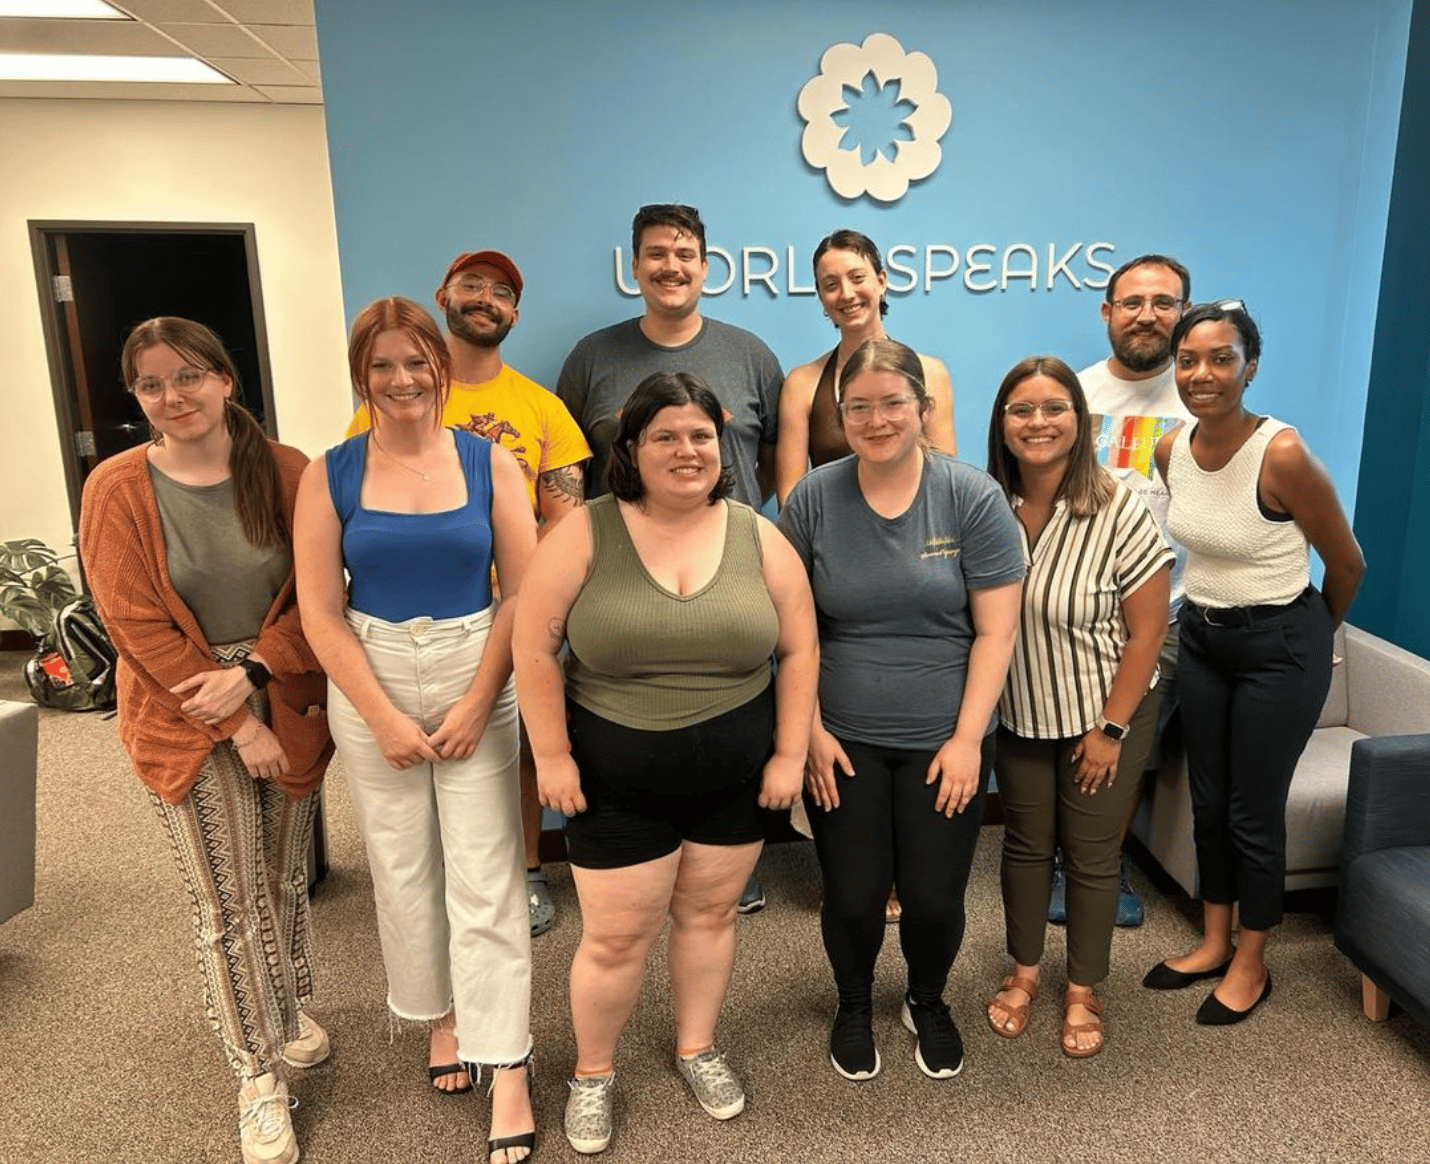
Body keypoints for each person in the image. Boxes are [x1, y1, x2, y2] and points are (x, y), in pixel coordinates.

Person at [513, 372, 816, 1154]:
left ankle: (696, 1046)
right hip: (614, 782)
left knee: (710, 917)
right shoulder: (584, 532)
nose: (686, 451)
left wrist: (789, 754)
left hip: (735, 782)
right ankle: (592, 1072)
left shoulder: (758, 533)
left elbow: (800, 647)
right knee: (615, 940)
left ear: (722, 443)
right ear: (633, 446)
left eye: (700, 436)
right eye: (665, 436)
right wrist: (550, 755)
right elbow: (534, 648)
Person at [79, 317, 333, 1164]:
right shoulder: (117, 488)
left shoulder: (288, 471)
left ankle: (288, 1012)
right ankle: (256, 1074)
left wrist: (257, 675)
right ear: (137, 398)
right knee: (229, 903)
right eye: (151, 384)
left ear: (226, 379)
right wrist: (232, 720)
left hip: (284, 691)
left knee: (284, 876)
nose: (171, 397)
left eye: (188, 376)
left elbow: (321, 592)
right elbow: (134, 623)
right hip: (182, 707)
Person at [294, 297, 539, 1163]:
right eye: (382, 366)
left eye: (415, 362)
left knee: (487, 870)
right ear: (362, 374)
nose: (401, 380)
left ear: (440, 364)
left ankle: (505, 1055)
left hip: (478, 661)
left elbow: (525, 592)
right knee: (401, 865)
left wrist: (478, 701)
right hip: (373, 673)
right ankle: (440, 1013)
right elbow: (321, 612)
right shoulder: (331, 473)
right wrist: (383, 714)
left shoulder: (490, 464)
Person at [778, 339, 1024, 1083]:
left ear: (922, 409)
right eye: (859, 406)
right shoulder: (813, 498)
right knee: (852, 896)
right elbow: (791, 630)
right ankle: (853, 1002)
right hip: (840, 739)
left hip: (942, 740)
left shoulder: (969, 496)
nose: (877, 419)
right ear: (841, 415)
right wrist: (810, 732)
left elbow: (997, 629)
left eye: (893, 403)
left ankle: (927, 998)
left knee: (933, 897)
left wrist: (967, 740)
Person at [346, 248, 591, 941]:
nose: (486, 299)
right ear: (444, 297)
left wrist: (518, 585)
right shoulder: (393, 400)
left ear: (515, 314)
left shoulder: (542, 408)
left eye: (502, 292)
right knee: (423, 741)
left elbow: (566, 517)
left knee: (516, 739)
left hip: (516, 608)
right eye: (472, 286)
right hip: (416, 614)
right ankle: (439, 882)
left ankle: (528, 869)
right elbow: (356, 509)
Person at [557, 202, 784, 914]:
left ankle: (724, 862)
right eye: (656, 253)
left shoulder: (750, 354)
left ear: (706, 265)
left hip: (723, 569)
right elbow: (567, 463)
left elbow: (771, 460)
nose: (671, 266)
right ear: (635, 268)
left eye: (684, 253)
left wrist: (717, 516)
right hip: (623, 575)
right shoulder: (594, 356)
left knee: (734, 697)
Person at [1145, 300, 1364, 1025]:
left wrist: (1310, 641)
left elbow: (1347, 562)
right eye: (1188, 359)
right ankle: (1212, 940)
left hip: (1281, 643)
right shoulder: (1171, 449)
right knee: (1207, 798)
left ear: (1250, 367)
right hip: (1204, 637)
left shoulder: (1281, 454)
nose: (1201, 373)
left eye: (1220, 358)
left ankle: (1251, 957)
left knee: (1251, 809)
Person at [983, 356, 1173, 1058]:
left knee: (1091, 857)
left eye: (1053, 407)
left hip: (1106, 715)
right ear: (1001, 425)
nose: (1038, 422)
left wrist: (1111, 729)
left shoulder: (1116, 504)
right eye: (1021, 410)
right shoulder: (986, 507)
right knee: (1026, 849)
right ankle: (1025, 972)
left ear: (1079, 418)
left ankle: (1084, 988)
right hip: (1023, 716)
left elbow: (1149, 630)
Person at [1063, 253, 1194, 928]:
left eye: (1164, 303)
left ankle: (1103, 866)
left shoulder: (1202, 399)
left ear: (1183, 314)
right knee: (1070, 736)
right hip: (1081, 611)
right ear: (1107, 312)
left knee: (1130, 746)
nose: (1148, 315)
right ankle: (1067, 860)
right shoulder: (1075, 397)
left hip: (1171, 611)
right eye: (1133, 301)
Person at [774, 228, 957, 505]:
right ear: (821, 298)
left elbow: (945, 482)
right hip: (832, 542)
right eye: (831, 284)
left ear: (881, 281)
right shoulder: (802, 384)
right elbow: (791, 497)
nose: (846, 294)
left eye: (857, 278)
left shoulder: (931, 374)